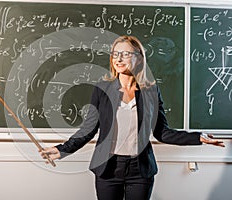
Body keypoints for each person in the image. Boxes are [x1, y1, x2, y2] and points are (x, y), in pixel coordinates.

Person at [40, 35, 225, 200]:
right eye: (115, 53)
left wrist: (197, 137)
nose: (119, 58)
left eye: (126, 54)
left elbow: (161, 132)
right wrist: (61, 150)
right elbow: (88, 129)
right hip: (108, 169)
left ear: (138, 58)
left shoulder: (151, 91)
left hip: (140, 170)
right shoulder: (102, 89)